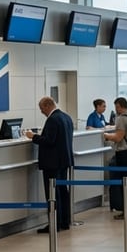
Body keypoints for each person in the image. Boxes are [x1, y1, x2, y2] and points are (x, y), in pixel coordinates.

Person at [25, 96, 74, 233]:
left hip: (52, 163)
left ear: (47, 105)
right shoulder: (66, 117)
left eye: (42, 109)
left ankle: (54, 224)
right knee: (63, 191)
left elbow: (49, 141)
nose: (42, 112)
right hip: (64, 161)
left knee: (52, 194)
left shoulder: (53, 119)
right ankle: (65, 221)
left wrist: (33, 136)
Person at [102, 97, 127, 218]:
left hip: (124, 154)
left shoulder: (122, 119)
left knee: (125, 183)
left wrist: (107, 135)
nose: (115, 109)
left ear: (119, 106)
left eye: (116, 107)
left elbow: (118, 137)